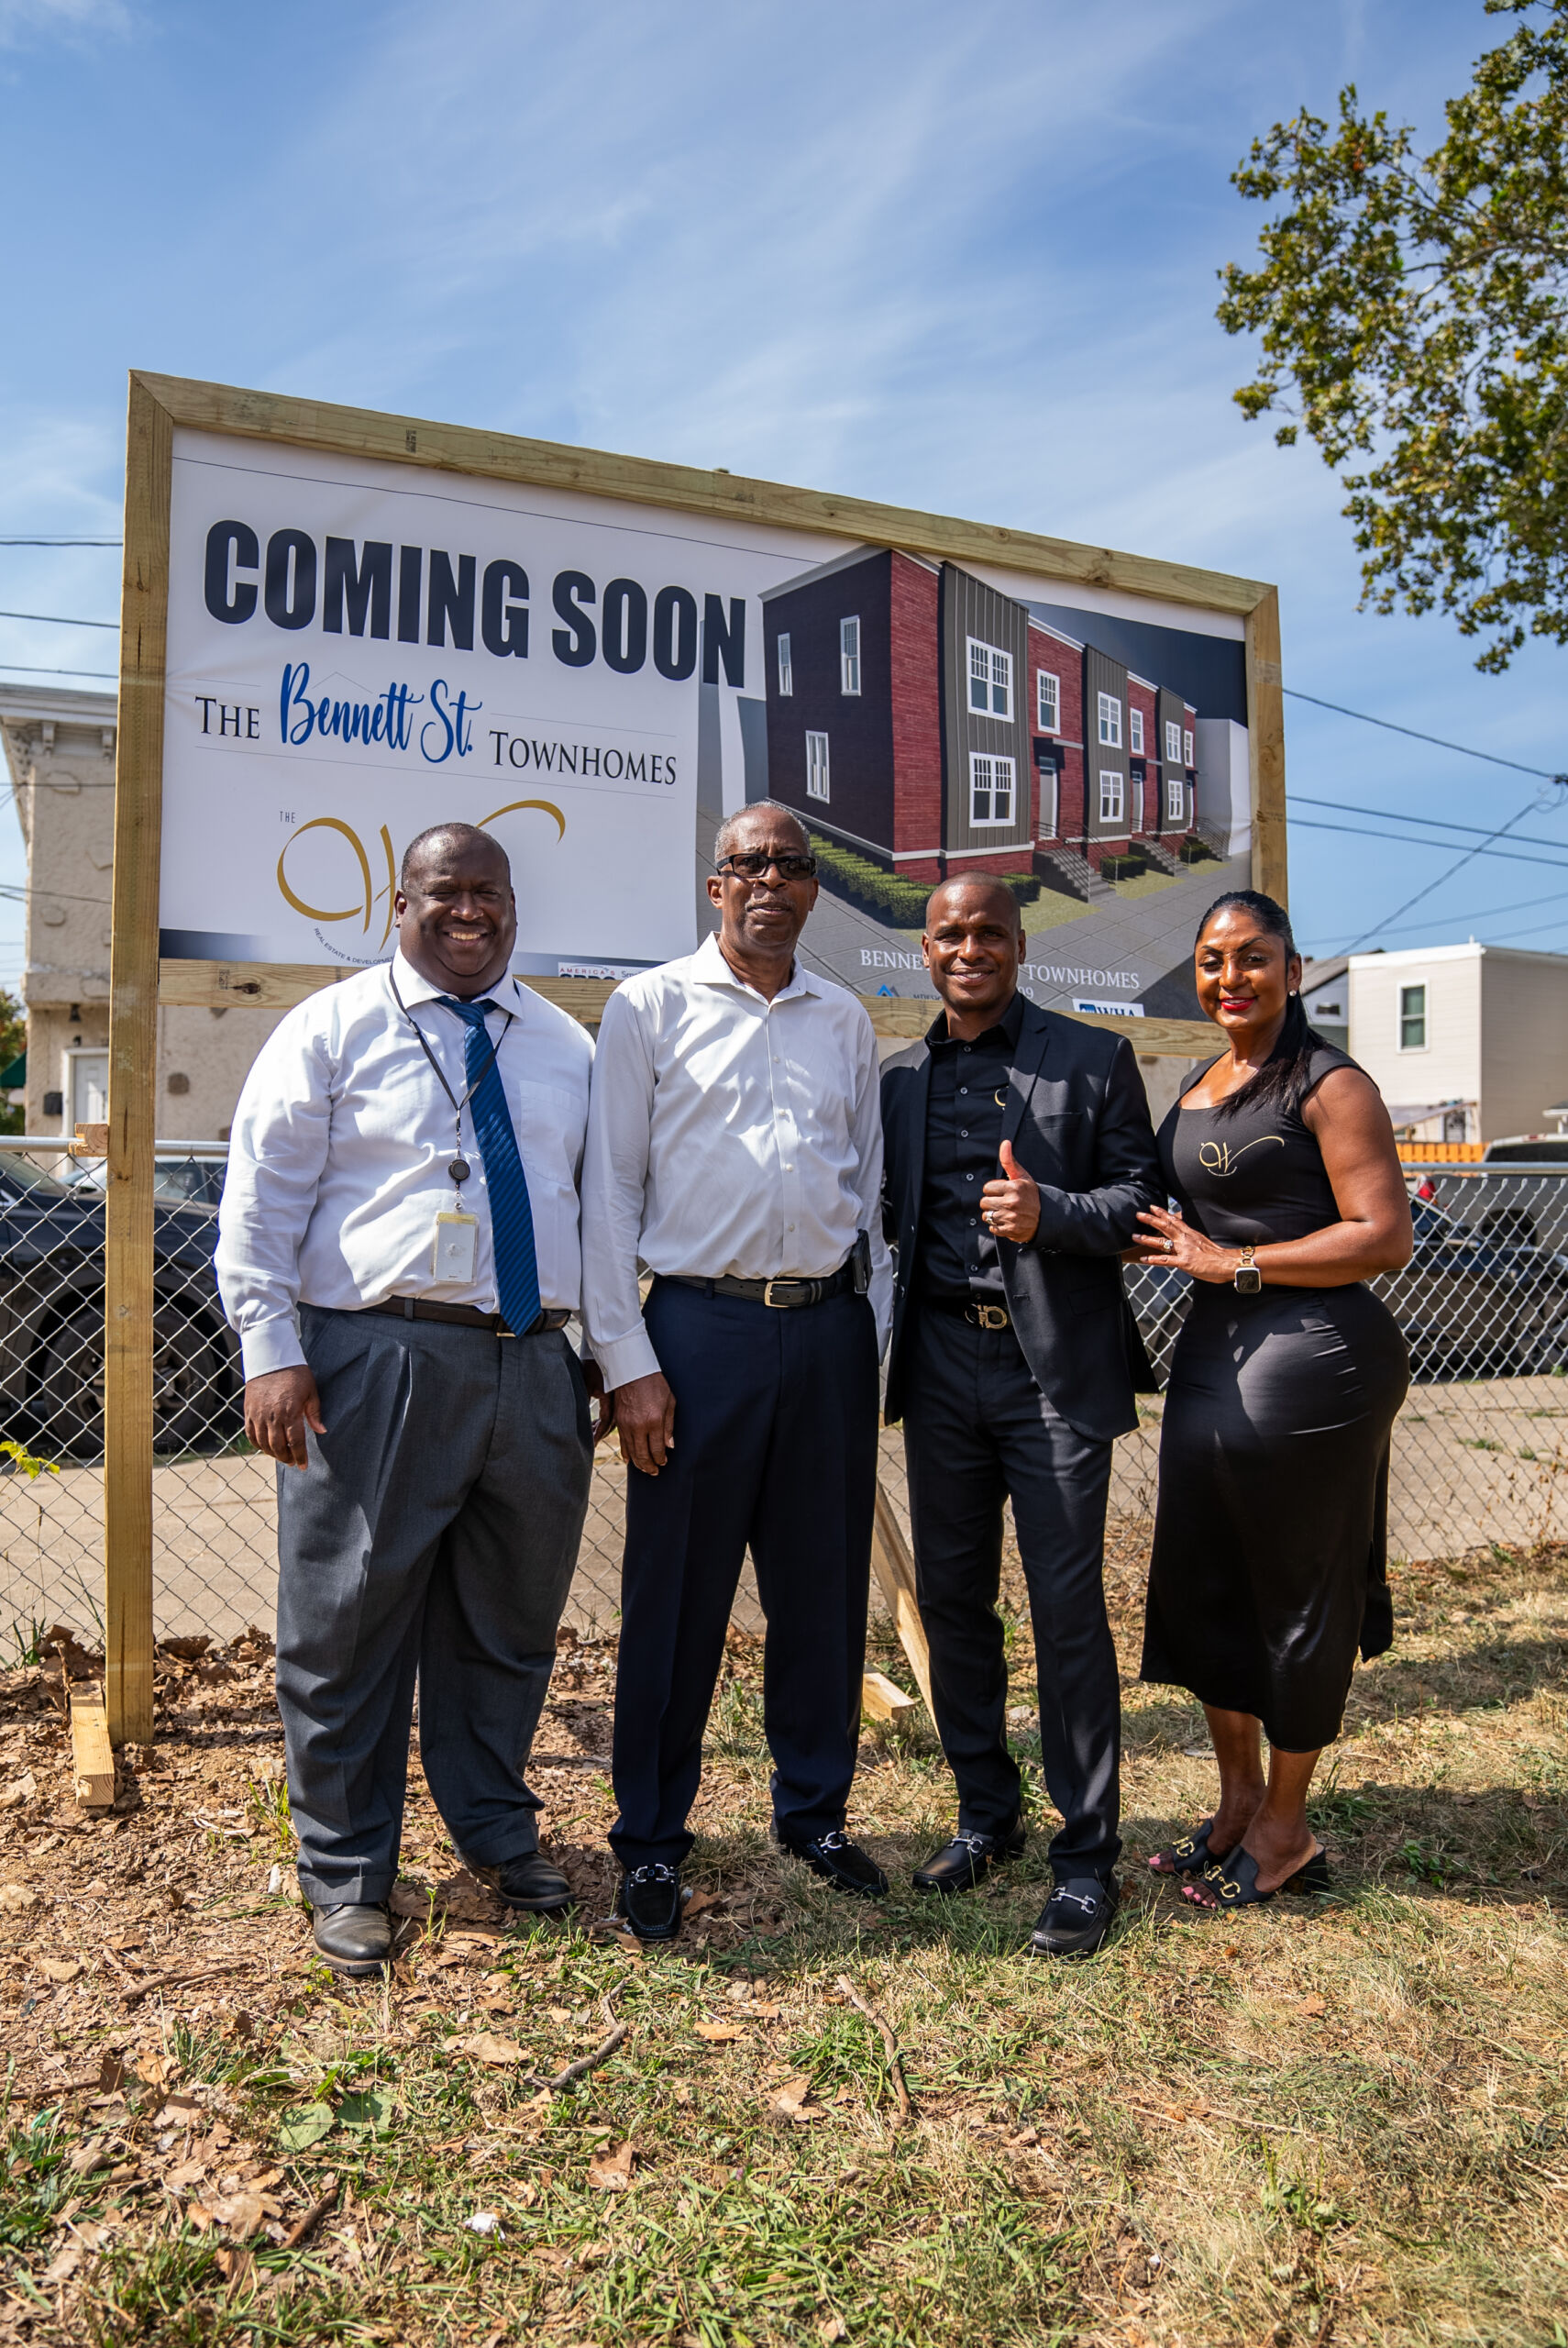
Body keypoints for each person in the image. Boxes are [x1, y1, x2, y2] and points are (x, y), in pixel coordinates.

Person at [215, 823, 612, 1975]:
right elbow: (261, 1198)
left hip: (532, 1358)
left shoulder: (561, 1044)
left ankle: (493, 1831)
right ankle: (346, 1871)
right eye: (445, 893)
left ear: (514, 907)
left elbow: (590, 1209)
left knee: (509, 1625)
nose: (469, 912)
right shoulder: (330, 1028)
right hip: (372, 1357)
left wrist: (593, 1348)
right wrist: (271, 1349)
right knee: (346, 1625)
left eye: (489, 893)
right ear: (401, 904)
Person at [581, 800, 891, 1941]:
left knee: (821, 1592)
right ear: (715, 886)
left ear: (815, 890)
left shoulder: (843, 1019)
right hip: (696, 1340)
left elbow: (867, 1196)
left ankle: (813, 1812)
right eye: (747, 863)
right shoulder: (649, 1008)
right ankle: (653, 1839)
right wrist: (629, 1361)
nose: (771, 879)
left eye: (792, 865)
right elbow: (610, 1197)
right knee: (677, 1602)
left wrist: (874, 1334)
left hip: (826, 1333)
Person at [879, 878, 1163, 1959]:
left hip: (1053, 1374)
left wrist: (1054, 1213)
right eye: (950, 934)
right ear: (926, 949)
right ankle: (984, 1813)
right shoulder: (903, 1077)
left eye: (988, 932)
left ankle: (1086, 1858)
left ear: (1019, 944)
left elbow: (1140, 1203)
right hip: (945, 1362)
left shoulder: (1091, 1059)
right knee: (953, 1601)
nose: (969, 948)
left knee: (1066, 1611)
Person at [1134, 890, 1411, 1911]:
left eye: (1253, 957)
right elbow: (1188, 1216)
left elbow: (1383, 1235)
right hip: (1211, 1361)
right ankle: (1239, 1799)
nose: (1230, 977)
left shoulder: (1331, 1083)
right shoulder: (1206, 1078)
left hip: (1316, 1362)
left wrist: (1235, 1262)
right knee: (1210, 1580)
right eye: (1212, 960)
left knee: (1297, 1593)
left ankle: (1288, 1829)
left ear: (1295, 968)